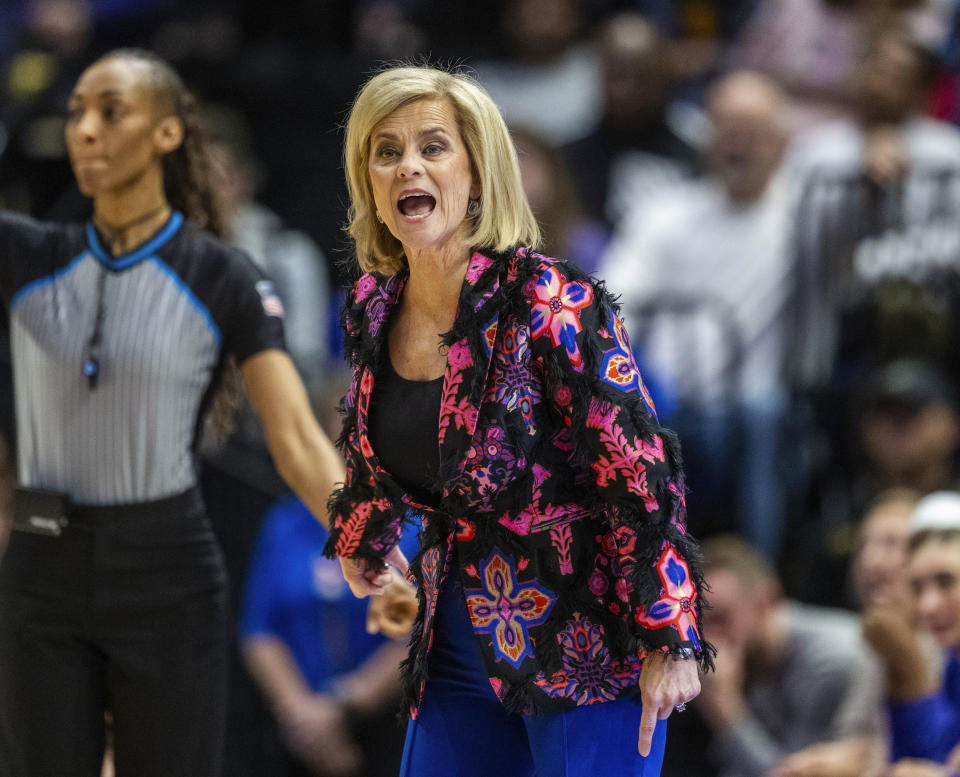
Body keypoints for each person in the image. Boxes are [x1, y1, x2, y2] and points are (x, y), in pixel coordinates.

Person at [323, 64, 709, 777]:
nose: (408, 164)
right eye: (386, 150)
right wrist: (364, 532)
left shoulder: (550, 301)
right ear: (368, 180)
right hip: (458, 642)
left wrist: (672, 632)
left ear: (478, 170)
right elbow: (381, 446)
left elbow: (641, 473)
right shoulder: (374, 304)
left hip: (584, 647)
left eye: (433, 146)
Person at [0, 48, 344, 777]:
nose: (87, 130)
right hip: (39, 560)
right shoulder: (23, 253)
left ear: (165, 135)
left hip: (164, 565)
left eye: (112, 111)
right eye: (76, 114)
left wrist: (372, 546)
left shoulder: (223, 273)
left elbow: (295, 437)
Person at [598, 70, 796, 558]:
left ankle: (758, 574)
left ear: (781, 140)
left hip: (753, 404)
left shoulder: (802, 216)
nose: (738, 142)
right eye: (726, 127)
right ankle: (637, 578)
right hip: (667, 399)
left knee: (764, 412)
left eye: (752, 129)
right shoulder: (665, 213)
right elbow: (609, 302)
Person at [669, 535, 880, 777]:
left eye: (721, 619)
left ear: (767, 602)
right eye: (699, 626)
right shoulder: (749, 658)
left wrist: (727, 713)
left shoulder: (829, 662)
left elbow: (791, 773)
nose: (707, 642)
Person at [240, 493, 419, 777]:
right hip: (296, 731)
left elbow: (415, 636)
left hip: (385, 724)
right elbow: (260, 631)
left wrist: (343, 708)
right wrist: (304, 717)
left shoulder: (411, 526)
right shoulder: (285, 521)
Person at [864, 490, 960, 767]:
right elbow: (913, 757)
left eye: (946, 582)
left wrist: (908, 663)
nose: (927, 606)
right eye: (917, 588)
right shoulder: (953, 662)